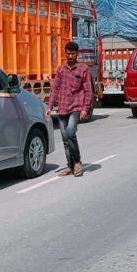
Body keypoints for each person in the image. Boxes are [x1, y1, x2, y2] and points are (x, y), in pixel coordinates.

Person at [46, 41, 93, 177]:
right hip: (62, 108)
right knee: (65, 138)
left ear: (77, 54)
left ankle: (77, 161)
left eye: (73, 54)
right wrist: (49, 106)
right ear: (65, 53)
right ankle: (70, 166)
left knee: (71, 132)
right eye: (68, 53)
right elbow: (55, 89)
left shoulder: (83, 69)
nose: (70, 56)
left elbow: (88, 91)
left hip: (76, 107)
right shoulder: (61, 70)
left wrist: (85, 109)